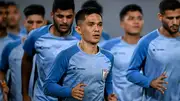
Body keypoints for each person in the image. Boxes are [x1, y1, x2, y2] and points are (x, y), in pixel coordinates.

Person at [43, 7, 117, 101]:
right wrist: (70, 92)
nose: (97, 29)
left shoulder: (108, 57)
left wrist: (109, 95)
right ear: (78, 29)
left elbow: (108, 82)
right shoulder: (66, 55)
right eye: (91, 24)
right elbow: (48, 86)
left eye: (99, 25)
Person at [21, 0, 77, 101]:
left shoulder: (81, 38)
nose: (64, 21)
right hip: (42, 97)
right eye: (60, 16)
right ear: (52, 14)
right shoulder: (36, 35)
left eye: (69, 17)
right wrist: (25, 94)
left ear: (74, 15)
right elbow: (26, 60)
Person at [127, 0, 180, 101]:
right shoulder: (147, 42)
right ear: (160, 17)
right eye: (170, 18)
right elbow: (131, 72)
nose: (175, 22)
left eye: (178, 17)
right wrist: (150, 82)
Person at [0, 4, 46, 101]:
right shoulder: (11, 47)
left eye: (38, 22)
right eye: (30, 22)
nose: (34, 27)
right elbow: (2, 71)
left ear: (45, 23)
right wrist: (4, 86)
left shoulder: (54, 49)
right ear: (25, 23)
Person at [102, 4, 144, 101]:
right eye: (131, 18)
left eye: (139, 18)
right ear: (122, 23)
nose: (136, 22)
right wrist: (106, 94)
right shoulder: (108, 47)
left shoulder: (151, 46)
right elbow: (101, 74)